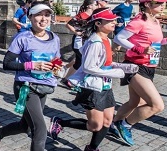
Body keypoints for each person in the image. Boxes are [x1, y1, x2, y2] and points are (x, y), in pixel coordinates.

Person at [48, 8, 139, 151]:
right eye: (110, 20)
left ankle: (92, 148)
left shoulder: (107, 40)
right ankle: (60, 122)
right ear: (98, 23)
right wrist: (117, 73)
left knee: (108, 121)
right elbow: (89, 67)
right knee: (95, 125)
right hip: (92, 87)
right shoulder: (95, 42)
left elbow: (105, 64)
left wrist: (125, 67)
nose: (114, 22)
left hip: (105, 86)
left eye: (114, 20)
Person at [108, 0, 167, 146]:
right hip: (135, 66)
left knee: (134, 102)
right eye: (159, 2)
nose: (163, 5)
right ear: (148, 4)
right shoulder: (139, 21)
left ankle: (113, 124)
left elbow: (153, 43)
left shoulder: (155, 20)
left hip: (149, 66)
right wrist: (139, 49)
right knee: (157, 105)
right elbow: (119, 37)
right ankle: (125, 125)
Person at [0, 3, 61, 150]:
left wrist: (57, 66)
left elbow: (56, 59)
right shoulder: (23, 38)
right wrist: (32, 65)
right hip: (26, 87)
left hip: (44, 86)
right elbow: (7, 63)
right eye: (39, 14)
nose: (44, 18)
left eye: (47, 15)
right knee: (39, 130)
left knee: (25, 126)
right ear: (30, 17)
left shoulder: (55, 38)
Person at [61, 0, 98, 87]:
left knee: (78, 63)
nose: (96, 6)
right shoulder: (81, 15)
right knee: (83, 62)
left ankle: (66, 79)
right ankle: (78, 81)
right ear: (89, 6)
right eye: (95, 4)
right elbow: (68, 24)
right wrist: (76, 32)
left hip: (86, 40)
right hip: (79, 41)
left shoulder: (93, 15)